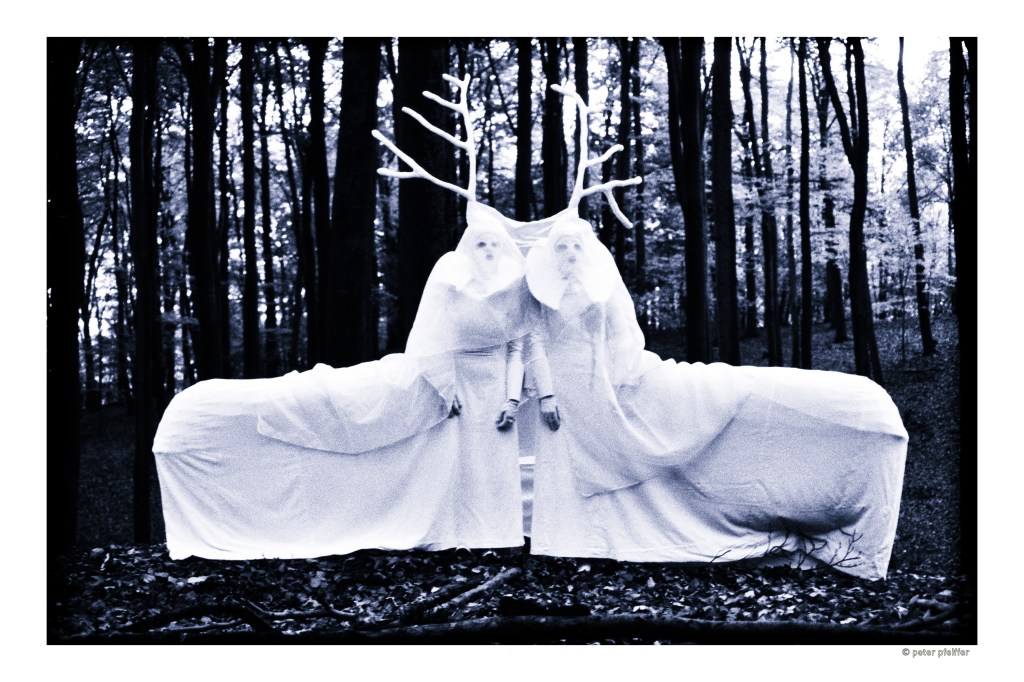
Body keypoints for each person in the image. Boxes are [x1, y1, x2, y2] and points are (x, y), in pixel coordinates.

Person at [152, 202, 557, 560]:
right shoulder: (452, 286)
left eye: (495, 244)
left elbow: (520, 348)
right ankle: (464, 532)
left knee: (492, 463)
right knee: (459, 460)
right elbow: (435, 341)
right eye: (481, 244)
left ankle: (496, 534)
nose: (489, 251)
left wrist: (513, 399)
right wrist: (446, 388)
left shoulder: (515, 294)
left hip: (495, 389)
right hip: (456, 386)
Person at [521, 215, 909, 581]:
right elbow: (534, 342)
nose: (570, 254)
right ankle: (565, 537)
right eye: (562, 247)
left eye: (576, 247)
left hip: (596, 382)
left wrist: (610, 380)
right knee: (568, 457)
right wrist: (547, 393)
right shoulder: (540, 294)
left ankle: (600, 537)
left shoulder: (599, 292)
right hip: (562, 383)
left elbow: (619, 345)